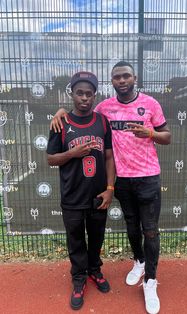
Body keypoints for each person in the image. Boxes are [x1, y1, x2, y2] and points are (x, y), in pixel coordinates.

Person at [51, 61, 171, 314]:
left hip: (147, 176)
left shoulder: (150, 104)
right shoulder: (104, 109)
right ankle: (137, 262)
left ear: (134, 78)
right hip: (122, 180)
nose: (122, 80)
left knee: (149, 230)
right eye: (117, 77)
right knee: (130, 225)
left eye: (126, 76)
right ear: (112, 82)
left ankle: (150, 281)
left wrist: (149, 133)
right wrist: (60, 111)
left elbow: (167, 137)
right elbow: (80, 114)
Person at [47, 71, 115, 311]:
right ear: (72, 94)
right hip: (72, 196)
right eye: (80, 93)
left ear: (94, 95)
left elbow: (108, 157)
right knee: (75, 241)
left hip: (98, 195)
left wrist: (109, 189)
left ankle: (94, 270)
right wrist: (71, 154)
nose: (84, 98)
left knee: (96, 239)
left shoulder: (102, 121)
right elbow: (50, 159)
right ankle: (78, 278)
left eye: (89, 93)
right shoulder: (61, 122)